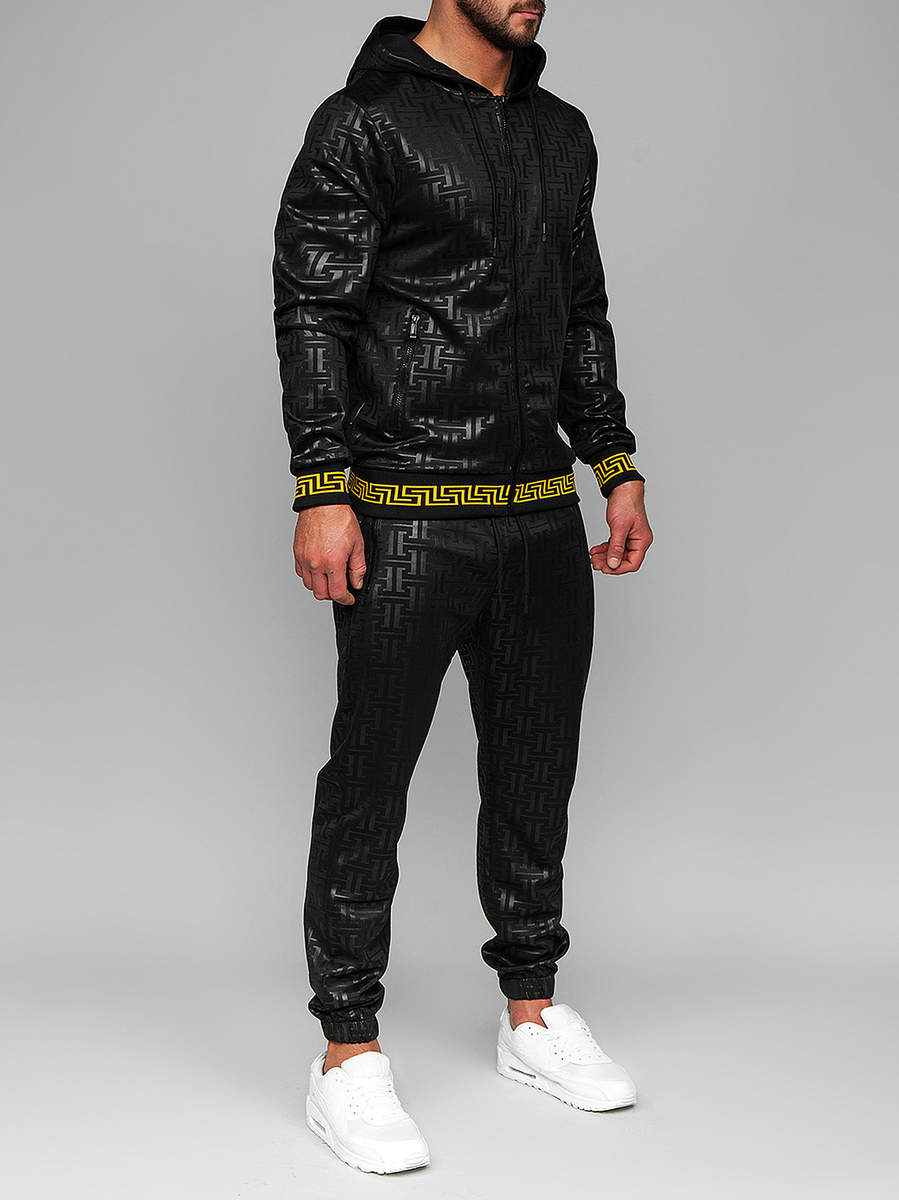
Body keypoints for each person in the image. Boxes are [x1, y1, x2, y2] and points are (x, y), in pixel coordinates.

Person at [272, 2, 653, 1175]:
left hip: (538, 510)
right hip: (403, 511)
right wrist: (321, 484)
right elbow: (314, 308)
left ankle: (531, 1014)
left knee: (535, 768)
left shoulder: (560, 131)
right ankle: (346, 1052)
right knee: (370, 778)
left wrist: (613, 463)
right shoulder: (364, 123)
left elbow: (579, 311)